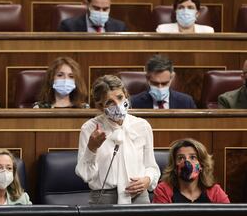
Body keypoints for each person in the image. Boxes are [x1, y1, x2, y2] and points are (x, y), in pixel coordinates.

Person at [75, 75, 160, 204]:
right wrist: (92, 148)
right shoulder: (89, 129)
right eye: (110, 102)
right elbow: (86, 175)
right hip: (104, 197)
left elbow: (151, 166)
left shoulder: (142, 126)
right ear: (100, 106)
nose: (118, 105)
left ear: (125, 95)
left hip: (139, 196)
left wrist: (147, 179)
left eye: (120, 98)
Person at [153, 138, 230, 203]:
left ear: (201, 165)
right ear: (174, 166)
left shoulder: (215, 192)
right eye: (181, 158)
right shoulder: (163, 190)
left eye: (193, 157)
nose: (186, 162)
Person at [131, 54, 197, 109]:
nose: (160, 88)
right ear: (147, 78)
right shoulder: (134, 103)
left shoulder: (186, 102)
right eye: (155, 83)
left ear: (171, 78)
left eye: (164, 83)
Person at [58, 0, 126, 32]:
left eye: (105, 9)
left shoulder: (119, 28)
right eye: (96, 8)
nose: (101, 12)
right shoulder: (69, 27)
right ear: (86, 4)